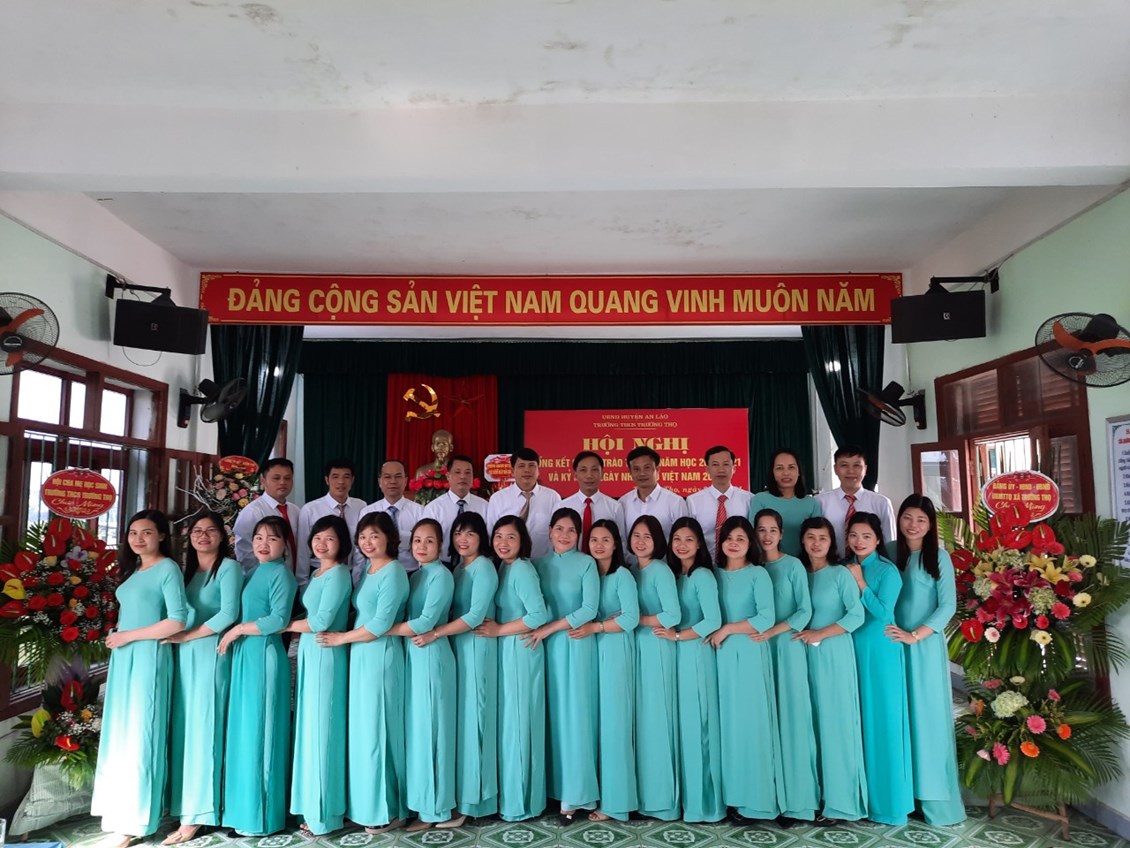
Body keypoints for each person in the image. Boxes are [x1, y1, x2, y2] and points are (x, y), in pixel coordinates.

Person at [91, 510, 188, 847]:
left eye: (147, 532)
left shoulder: (168, 569)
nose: (138, 538)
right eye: (133, 532)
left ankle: (137, 819)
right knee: (121, 731)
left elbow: (177, 620)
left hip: (149, 657)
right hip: (124, 657)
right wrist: (119, 634)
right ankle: (118, 812)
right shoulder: (134, 570)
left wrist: (129, 636)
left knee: (142, 732)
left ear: (161, 535)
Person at [316, 511, 410, 834]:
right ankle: (365, 806)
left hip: (381, 656)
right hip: (361, 656)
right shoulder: (368, 570)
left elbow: (381, 624)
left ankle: (390, 809)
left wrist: (341, 638)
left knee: (380, 731)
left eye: (375, 536)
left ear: (389, 539)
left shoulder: (394, 572)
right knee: (364, 732)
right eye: (363, 536)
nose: (368, 542)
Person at [887, 495, 966, 826]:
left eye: (921, 519)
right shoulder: (890, 551)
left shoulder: (939, 557)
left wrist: (916, 635)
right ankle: (901, 796)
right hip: (890, 646)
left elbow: (947, 606)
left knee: (926, 719)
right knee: (897, 719)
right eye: (907, 517)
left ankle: (933, 800)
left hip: (924, 648)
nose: (913, 525)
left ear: (931, 524)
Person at [163, 511, 241, 845]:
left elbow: (229, 613)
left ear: (222, 537)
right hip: (185, 657)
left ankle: (200, 812)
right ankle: (185, 803)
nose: (203, 535)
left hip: (212, 653)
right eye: (197, 530)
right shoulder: (187, 572)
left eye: (211, 530)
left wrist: (189, 636)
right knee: (186, 730)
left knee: (206, 730)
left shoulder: (229, 568)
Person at [220, 515, 298, 836]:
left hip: (263, 656)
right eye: (259, 537)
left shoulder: (282, 575)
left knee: (261, 732)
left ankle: (262, 818)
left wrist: (237, 629)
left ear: (285, 545)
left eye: (273, 538)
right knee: (245, 732)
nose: (264, 544)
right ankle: (243, 813)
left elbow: (278, 619)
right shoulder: (253, 571)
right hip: (245, 656)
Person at [474, 516, 549, 822]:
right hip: (508, 650)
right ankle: (513, 797)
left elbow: (538, 614)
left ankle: (522, 803)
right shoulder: (503, 567)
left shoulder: (521, 569)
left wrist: (499, 630)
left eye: (511, 537)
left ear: (523, 541)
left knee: (520, 725)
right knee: (511, 726)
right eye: (498, 536)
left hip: (521, 650)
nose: (503, 543)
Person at [527, 507, 600, 824]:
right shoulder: (538, 565)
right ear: (550, 530)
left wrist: (550, 628)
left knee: (574, 718)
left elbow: (589, 609)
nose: (565, 535)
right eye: (559, 528)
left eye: (572, 530)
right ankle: (550, 790)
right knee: (550, 718)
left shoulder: (586, 563)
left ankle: (575, 794)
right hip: (542, 648)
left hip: (574, 644)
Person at [706, 515, 780, 823]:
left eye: (741, 538)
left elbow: (766, 618)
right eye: (728, 538)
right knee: (726, 727)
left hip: (747, 653)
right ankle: (731, 797)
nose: (733, 543)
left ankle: (756, 801)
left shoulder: (757, 575)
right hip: (717, 657)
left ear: (750, 544)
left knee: (750, 724)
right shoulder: (713, 574)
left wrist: (727, 628)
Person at [793, 517, 867, 823]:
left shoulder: (840, 574)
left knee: (836, 725)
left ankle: (842, 803)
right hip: (803, 658)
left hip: (834, 655)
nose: (816, 543)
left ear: (832, 542)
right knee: (812, 726)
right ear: (802, 540)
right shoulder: (799, 573)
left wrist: (820, 634)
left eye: (822, 538)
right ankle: (815, 796)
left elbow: (856, 616)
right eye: (810, 537)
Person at [388, 519, 459, 830]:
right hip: (414, 656)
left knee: (433, 732)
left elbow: (425, 622)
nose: (422, 546)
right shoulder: (416, 576)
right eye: (417, 540)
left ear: (440, 545)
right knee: (419, 732)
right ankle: (423, 803)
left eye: (430, 541)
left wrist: (379, 629)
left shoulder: (441, 576)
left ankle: (436, 810)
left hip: (432, 656)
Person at [750, 509, 819, 825]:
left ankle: (798, 803)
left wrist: (772, 631)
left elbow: (804, 611)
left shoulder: (793, 566)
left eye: (772, 530)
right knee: (763, 725)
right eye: (761, 530)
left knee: (792, 722)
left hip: (787, 648)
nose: (766, 536)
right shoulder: (751, 567)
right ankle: (764, 799)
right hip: (757, 651)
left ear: (781, 534)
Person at [430, 512, 500, 820]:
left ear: (481, 538)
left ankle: (476, 801)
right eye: (458, 532)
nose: (463, 539)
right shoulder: (459, 568)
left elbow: (475, 616)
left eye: (470, 533)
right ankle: (463, 793)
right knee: (464, 721)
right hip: (458, 645)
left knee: (477, 718)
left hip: (476, 647)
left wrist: (436, 633)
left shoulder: (484, 567)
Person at [287, 515, 353, 836]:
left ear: (342, 544)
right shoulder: (317, 573)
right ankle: (312, 807)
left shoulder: (339, 574)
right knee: (311, 727)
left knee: (323, 729)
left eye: (329, 538)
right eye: (317, 537)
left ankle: (325, 815)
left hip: (327, 652)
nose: (321, 543)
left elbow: (321, 621)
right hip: (311, 652)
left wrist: (282, 625)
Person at [845, 512, 913, 826]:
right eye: (853, 535)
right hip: (851, 647)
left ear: (878, 539)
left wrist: (860, 583)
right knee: (856, 721)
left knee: (883, 722)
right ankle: (858, 799)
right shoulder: (845, 566)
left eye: (866, 536)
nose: (859, 541)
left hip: (881, 649)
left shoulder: (887, 571)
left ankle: (889, 805)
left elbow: (884, 613)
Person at [655, 517, 724, 823]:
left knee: (700, 726)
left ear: (700, 545)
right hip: (679, 655)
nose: (682, 545)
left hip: (696, 653)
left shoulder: (702, 576)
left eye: (689, 539)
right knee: (685, 727)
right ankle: (686, 799)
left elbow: (713, 620)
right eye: (677, 539)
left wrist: (679, 636)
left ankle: (705, 804)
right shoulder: (675, 575)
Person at [574, 519, 639, 823]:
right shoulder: (588, 573)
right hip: (593, 651)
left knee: (615, 726)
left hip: (614, 651)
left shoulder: (621, 575)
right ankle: (594, 793)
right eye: (594, 540)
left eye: (605, 540)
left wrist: (597, 626)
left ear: (616, 544)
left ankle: (617, 803)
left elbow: (630, 618)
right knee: (596, 725)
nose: (598, 545)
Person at [629, 515, 681, 821]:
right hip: (637, 647)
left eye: (647, 536)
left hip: (657, 646)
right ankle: (643, 795)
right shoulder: (633, 570)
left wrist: (637, 619)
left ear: (658, 541)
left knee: (657, 720)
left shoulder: (660, 570)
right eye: (636, 535)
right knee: (642, 722)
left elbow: (672, 614)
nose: (640, 541)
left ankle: (662, 801)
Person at [295, 458, 366, 587]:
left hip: (351, 572)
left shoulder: (361, 507)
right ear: (327, 480)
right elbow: (303, 550)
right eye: (335, 476)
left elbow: (360, 546)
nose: (341, 482)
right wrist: (303, 583)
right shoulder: (310, 509)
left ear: (352, 480)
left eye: (346, 477)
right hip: (320, 571)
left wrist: (356, 578)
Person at [815, 446, 895, 556]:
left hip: (869, 564)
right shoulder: (820, 502)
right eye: (844, 465)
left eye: (857, 465)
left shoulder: (882, 503)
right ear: (835, 469)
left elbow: (889, 543)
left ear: (865, 469)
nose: (851, 471)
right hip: (831, 563)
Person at [487, 448, 562, 561]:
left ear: (538, 470)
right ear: (512, 471)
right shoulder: (498, 499)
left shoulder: (552, 497)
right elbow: (491, 534)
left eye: (531, 465)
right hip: (509, 563)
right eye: (521, 466)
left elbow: (558, 532)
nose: (527, 470)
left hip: (544, 562)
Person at [233, 458, 301, 575]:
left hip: (294, 578)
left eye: (287, 478)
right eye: (276, 478)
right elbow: (244, 552)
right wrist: (261, 577)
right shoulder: (253, 512)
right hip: (265, 577)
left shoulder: (296, 510)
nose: (282, 482)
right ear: (263, 480)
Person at [749, 449, 822, 557]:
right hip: (767, 562)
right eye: (779, 468)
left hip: (804, 563)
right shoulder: (760, 499)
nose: (786, 473)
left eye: (791, 467)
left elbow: (819, 536)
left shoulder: (811, 503)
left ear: (799, 472)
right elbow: (752, 536)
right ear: (772, 472)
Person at [686, 445, 753, 562]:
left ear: (734, 468)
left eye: (726, 464)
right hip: (704, 563)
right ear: (707, 469)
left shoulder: (749, 499)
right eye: (715, 464)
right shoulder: (693, 501)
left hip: (739, 563)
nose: (721, 469)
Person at [360, 459, 423, 575]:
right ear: (380, 481)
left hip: (411, 573)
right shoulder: (368, 512)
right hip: (377, 573)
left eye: (398, 477)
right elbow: (360, 551)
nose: (393, 481)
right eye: (387, 477)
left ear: (405, 481)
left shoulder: (420, 511)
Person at [423, 453, 490, 562]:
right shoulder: (433, 508)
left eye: (467, 473)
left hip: (476, 564)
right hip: (444, 564)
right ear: (448, 476)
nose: (463, 476)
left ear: (473, 477)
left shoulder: (484, 506)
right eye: (457, 472)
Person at [619, 446, 688, 543]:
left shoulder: (675, 502)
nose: (642, 473)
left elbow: (684, 539)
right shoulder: (623, 502)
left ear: (657, 469)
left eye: (647, 468)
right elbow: (622, 539)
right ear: (630, 472)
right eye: (636, 469)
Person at [561, 451, 624, 554]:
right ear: (575, 475)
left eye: (594, 470)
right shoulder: (562, 506)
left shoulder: (615, 507)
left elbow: (621, 542)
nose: (589, 475)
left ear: (602, 474)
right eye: (583, 470)